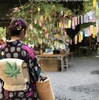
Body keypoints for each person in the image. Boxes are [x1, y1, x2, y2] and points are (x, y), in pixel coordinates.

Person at [0, 18, 41, 100]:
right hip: (26, 93)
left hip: (7, 93)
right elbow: (36, 72)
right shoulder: (26, 50)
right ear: (22, 31)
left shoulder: (1, 49)